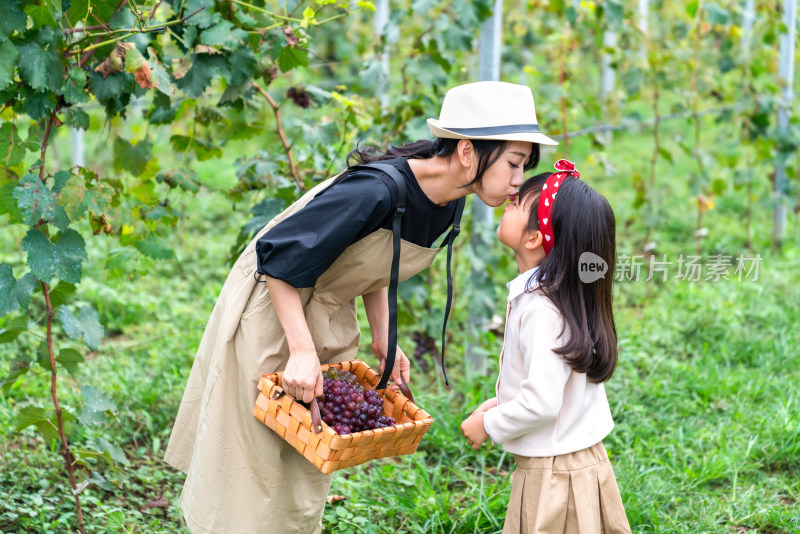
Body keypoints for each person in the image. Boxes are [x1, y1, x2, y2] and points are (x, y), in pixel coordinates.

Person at [163, 81, 559, 534]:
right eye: (513, 162)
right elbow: (279, 260)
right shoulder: (373, 191)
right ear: (468, 151)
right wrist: (301, 350)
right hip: (277, 305)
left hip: (324, 307)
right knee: (250, 463)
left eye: (525, 165)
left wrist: (385, 337)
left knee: (302, 456)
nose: (518, 179)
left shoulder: (449, 202)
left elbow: (373, 261)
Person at [460, 160, 632, 533]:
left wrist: (488, 425)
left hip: (553, 475)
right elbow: (553, 385)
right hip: (576, 463)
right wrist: (501, 401)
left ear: (534, 237)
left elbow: (541, 404)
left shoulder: (541, 309)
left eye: (515, 204)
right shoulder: (563, 297)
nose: (507, 200)